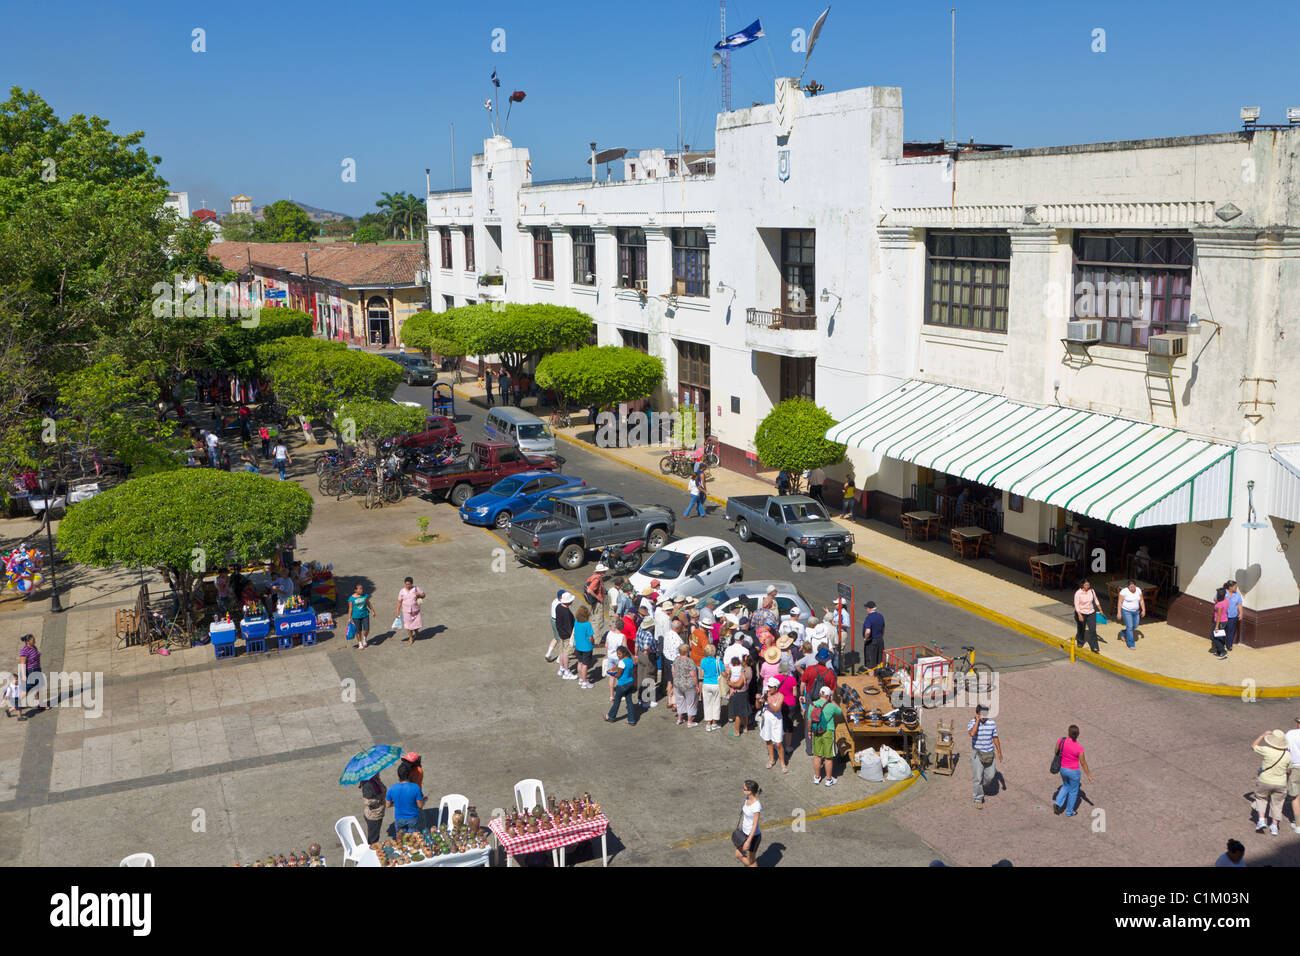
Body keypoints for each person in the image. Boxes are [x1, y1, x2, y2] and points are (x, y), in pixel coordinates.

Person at [1251, 729, 1293, 836]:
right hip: (1280, 782)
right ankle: (1274, 826)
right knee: (1277, 804)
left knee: (1261, 798)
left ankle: (1261, 820)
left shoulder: (1267, 750)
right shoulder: (1287, 755)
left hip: (1265, 780)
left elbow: (1254, 746)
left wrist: (1263, 735)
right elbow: (1289, 770)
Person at [1052, 725, 1093, 818]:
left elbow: (1056, 751)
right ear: (1078, 735)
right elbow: (1083, 763)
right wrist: (1089, 776)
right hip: (1074, 772)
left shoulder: (1061, 741)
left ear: (1068, 733)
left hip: (1063, 769)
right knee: (1073, 791)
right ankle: (1069, 811)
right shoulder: (1079, 748)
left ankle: (1058, 803)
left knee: (1066, 786)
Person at [969, 704, 1002, 808]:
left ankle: (981, 786)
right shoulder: (972, 723)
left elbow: (995, 737)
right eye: (982, 713)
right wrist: (977, 721)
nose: (985, 715)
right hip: (977, 754)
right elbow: (972, 733)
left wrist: (1000, 752)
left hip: (989, 754)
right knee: (977, 778)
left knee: (990, 776)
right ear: (978, 713)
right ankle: (978, 798)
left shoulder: (992, 723)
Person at [809, 686, 841, 786]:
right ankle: (828, 779)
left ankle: (817, 778)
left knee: (817, 756)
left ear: (819, 694)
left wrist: (810, 732)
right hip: (828, 732)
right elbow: (840, 711)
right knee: (828, 757)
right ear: (829, 696)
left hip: (817, 732)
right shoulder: (831, 706)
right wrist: (833, 701)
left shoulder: (812, 705)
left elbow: (809, 720)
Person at [385, 762, 426, 834]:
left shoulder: (392, 788)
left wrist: (396, 803)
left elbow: (388, 805)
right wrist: (424, 800)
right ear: (409, 774)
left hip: (399, 819)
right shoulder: (416, 788)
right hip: (413, 819)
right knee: (414, 841)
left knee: (401, 841)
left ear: (398, 775)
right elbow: (420, 805)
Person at [604, 645, 638, 725]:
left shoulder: (622, 662)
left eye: (619, 654)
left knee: (616, 701)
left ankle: (610, 716)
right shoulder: (630, 660)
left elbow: (618, 675)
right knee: (629, 702)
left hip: (622, 684)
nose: (618, 656)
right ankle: (631, 720)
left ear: (624, 653)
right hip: (630, 682)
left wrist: (612, 674)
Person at [733, 781, 763, 867]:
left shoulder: (756, 806)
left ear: (750, 791)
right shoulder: (747, 798)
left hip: (752, 837)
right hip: (744, 833)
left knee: (751, 862)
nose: (742, 790)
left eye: (744, 789)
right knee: (738, 854)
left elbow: (755, 825)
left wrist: (748, 841)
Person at [760, 678, 787, 771]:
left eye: (771, 686)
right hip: (766, 720)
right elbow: (757, 706)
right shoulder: (766, 693)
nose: (769, 688)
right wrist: (757, 700)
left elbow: (776, 709)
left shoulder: (781, 696)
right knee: (768, 740)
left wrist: (767, 701)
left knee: (778, 743)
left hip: (776, 721)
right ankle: (772, 760)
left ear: (776, 687)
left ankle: (783, 763)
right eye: (769, 686)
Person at [1072, 579, 1102, 653]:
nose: (1087, 586)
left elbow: (1096, 600)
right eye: (1086, 585)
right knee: (1081, 629)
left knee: (1093, 630)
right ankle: (1080, 641)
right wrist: (1079, 615)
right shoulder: (1078, 593)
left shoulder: (1091, 591)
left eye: (1088, 585)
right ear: (1082, 585)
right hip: (1081, 613)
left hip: (1091, 612)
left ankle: (1095, 647)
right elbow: (1076, 605)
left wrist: (1100, 609)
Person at [673, 642, 699, 726]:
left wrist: (676, 680)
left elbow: (673, 671)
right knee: (691, 703)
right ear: (687, 652)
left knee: (680, 702)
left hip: (678, 684)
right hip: (689, 685)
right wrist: (696, 685)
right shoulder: (690, 661)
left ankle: (679, 719)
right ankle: (690, 721)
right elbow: (693, 675)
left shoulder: (676, 659)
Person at [699, 644, 723, 732]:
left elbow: (701, 674)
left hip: (706, 684)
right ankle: (714, 723)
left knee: (707, 704)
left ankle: (708, 724)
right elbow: (723, 672)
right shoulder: (718, 662)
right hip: (716, 684)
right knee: (716, 704)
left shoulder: (703, 661)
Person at [395, 577, 426, 645]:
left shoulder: (416, 588)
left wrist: (419, 595)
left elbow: (424, 595)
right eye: (406, 584)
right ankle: (411, 637)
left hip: (416, 610)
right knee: (408, 625)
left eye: (409, 584)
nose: (407, 586)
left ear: (412, 584)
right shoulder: (402, 591)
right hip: (406, 611)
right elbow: (399, 602)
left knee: (416, 623)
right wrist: (397, 611)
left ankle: (416, 632)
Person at [728, 653, 753, 737]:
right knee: (744, 712)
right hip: (745, 692)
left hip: (739, 693)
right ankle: (745, 728)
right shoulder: (749, 669)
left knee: (738, 713)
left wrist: (729, 683)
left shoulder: (745, 671)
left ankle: (737, 731)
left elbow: (738, 685)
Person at [553, 591, 577, 679]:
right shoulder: (566, 612)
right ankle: (567, 671)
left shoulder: (558, 607)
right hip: (567, 636)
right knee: (567, 654)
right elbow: (568, 627)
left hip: (560, 633)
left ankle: (561, 668)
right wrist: (573, 636)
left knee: (562, 651)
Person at [663, 619, 685, 711]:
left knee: (669, 681)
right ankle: (675, 704)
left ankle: (669, 701)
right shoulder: (677, 638)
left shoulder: (667, 634)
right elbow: (680, 650)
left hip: (667, 659)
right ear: (678, 628)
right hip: (674, 662)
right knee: (676, 683)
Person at [1116, 580, 1145, 650]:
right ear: (1128, 587)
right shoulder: (1124, 592)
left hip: (1136, 611)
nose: (1132, 588)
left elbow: (1141, 600)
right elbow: (1120, 602)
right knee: (1130, 627)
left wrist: (1143, 610)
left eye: (1133, 586)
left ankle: (1123, 632)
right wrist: (1119, 612)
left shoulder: (1138, 590)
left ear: (1135, 585)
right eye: (1130, 587)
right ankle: (1131, 644)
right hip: (1126, 611)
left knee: (1135, 626)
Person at [573, 603, 596, 689]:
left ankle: (581, 678)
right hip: (586, 647)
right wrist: (593, 643)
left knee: (580, 662)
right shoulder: (587, 624)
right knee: (585, 665)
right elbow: (591, 637)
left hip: (578, 646)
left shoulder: (576, 622)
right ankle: (585, 681)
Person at [360, 774, 387, 845]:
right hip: (374, 815)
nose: (379, 772)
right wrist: (379, 799)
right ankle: (371, 851)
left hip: (378, 812)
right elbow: (367, 801)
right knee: (373, 839)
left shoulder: (375, 780)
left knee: (373, 835)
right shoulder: (368, 785)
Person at [348, 584, 374, 649]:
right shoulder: (351, 598)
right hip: (355, 616)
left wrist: (373, 611)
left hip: (365, 614)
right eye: (359, 589)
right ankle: (360, 643)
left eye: (362, 588)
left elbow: (368, 603)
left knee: (367, 629)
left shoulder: (365, 596)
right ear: (355, 590)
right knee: (358, 630)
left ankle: (364, 639)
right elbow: (350, 608)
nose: (361, 590)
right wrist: (349, 617)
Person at [604, 627, 626, 701]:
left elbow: (606, 645)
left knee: (612, 677)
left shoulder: (609, 633)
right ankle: (622, 695)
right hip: (619, 658)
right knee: (620, 677)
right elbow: (624, 647)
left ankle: (612, 695)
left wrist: (607, 654)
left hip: (610, 657)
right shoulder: (622, 636)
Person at [862, 601, 885, 671]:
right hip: (880, 640)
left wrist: (865, 639)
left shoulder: (869, 618)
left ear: (869, 609)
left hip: (871, 642)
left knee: (870, 664)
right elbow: (883, 628)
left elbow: (868, 631)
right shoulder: (880, 616)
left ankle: (871, 679)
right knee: (879, 661)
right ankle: (879, 676)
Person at [1286, 716, 1300, 834]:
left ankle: (1298, 824)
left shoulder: (1291, 734)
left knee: (1295, 797)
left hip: (1295, 767)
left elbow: (1285, 749)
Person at [545, 588, 565, 662]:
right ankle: (560, 658)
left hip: (553, 620)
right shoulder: (561, 604)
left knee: (556, 638)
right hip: (558, 622)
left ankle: (548, 653)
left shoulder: (554, 601)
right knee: (562, 640)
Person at [1224, 580, 1245, 652]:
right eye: (1235, 586)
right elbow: (1215, 599)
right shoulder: (1223, 592)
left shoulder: (1237, 594)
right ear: (1230, 587)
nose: (1236, 588)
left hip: (1233, 616)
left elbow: (1239, 604)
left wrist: (1241, 613)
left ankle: (1229, 645)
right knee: (1222, 630)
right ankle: (1220, 644)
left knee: (1230, 631)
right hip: (1223, 615)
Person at [1210, 587, 1229, 659]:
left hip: (1219, 622)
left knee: (1213, 637)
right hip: (1225, 620)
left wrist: (1216, 626)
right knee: (1219, 636)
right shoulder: (1226, 600)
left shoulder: (1219, 605)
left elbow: (1218, 616)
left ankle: (1223, 651)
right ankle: (1219, 651)